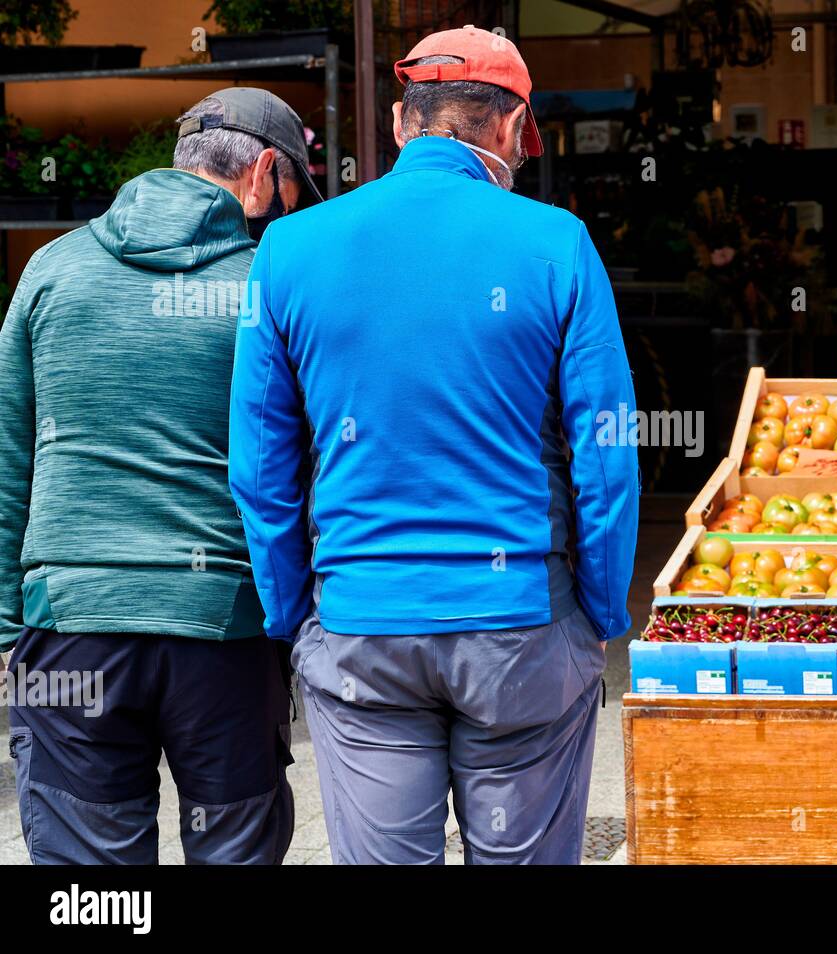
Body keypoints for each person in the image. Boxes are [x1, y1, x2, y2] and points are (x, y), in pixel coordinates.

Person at [228, 24, 639, 865]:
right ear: (510, 130)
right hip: (520, 630)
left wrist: (292, 614)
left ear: (397, 123)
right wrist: (599, 613)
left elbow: (259, 464)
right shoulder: (557, 243)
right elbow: (607, 452)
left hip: (361, 628)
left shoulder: (291, 247)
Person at [0, 88, 320, 864]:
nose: (287, 216)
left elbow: (12, 457)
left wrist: (13, 630)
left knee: (93, 885)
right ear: (264, 172)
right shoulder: (265, 287)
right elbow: (301, 468)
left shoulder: (51, 269)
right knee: (234, 848)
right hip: (225, 634)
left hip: (72, 627)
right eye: (292, 195)